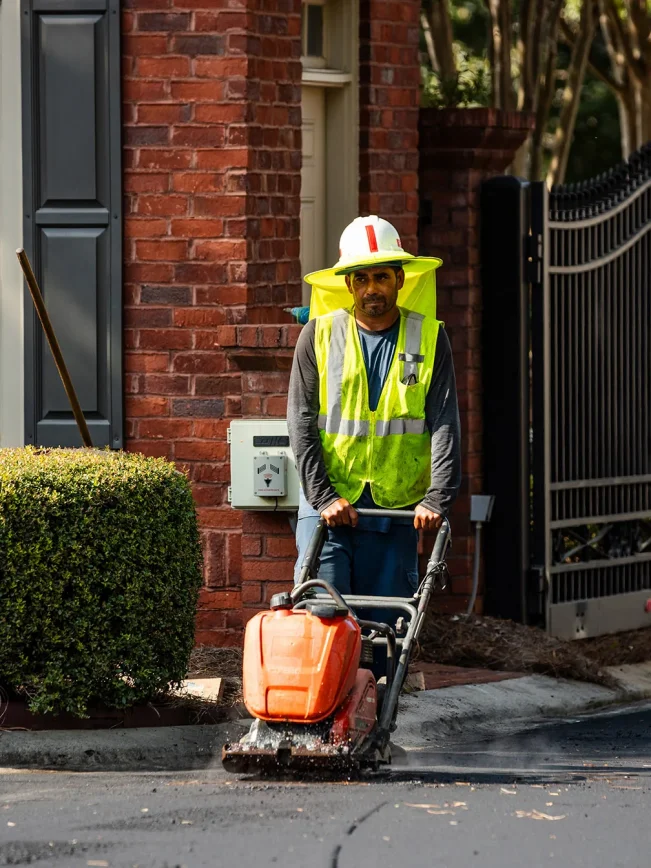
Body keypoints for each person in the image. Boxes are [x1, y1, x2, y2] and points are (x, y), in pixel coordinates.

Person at [287, 215, 461, 600]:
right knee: (324, 619)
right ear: (347, 283)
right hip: (329, 508)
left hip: (395, 510)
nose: (371, 289)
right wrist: (323, 497)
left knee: (388, 626)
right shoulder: (317, 335)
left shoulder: (431, 339)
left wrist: (437, 497)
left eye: (381, 277)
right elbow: (300, 423)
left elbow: (445, 423)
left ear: (400, 279)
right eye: (361, 279)